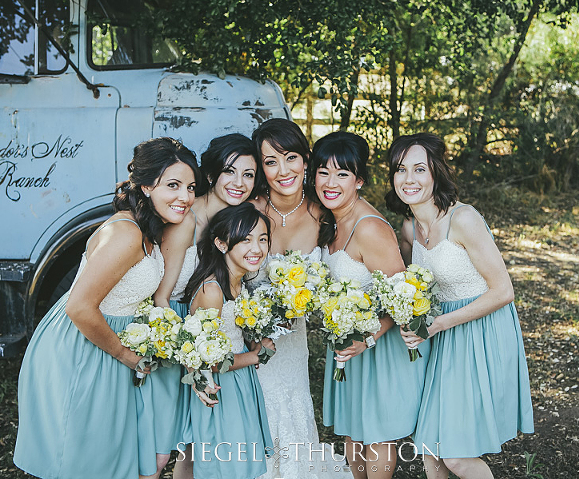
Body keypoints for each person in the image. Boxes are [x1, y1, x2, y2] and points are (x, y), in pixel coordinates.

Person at [14, 137, 199, 479]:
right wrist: (127, 355)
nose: (185, 197)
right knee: (86, 458)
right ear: (145, 186)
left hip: (111, 339)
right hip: (84, 344)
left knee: (114, 455)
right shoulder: (126, 234)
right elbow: (80, 307)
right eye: (173, 185)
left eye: (190, 187)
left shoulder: (149, 226)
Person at [385, 132, 534, 479]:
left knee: (456, 456)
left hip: (480, 333)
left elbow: (503, 291)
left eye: (419, 169)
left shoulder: (463, 219)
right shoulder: (410, 227)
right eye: (400, 170)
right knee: (431, 451)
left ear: (436, 172)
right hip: (444, 338)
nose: (409, 179)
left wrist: (436, 325)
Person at [312, 131, 429, 479]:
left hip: (378, 349)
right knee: (351, 433)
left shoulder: (370, 228)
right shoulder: (330, 218)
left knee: (376, 436)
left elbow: (402, 297)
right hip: (348, 347)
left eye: (342, 174)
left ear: (359, 180)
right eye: (322, 172)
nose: (330, 182)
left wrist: (368, 338)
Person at [147, 133, 259, 479]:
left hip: (210, 331)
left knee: (196, 442)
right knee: (161, 446)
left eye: (249, 175)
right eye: (230, 172)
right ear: (211, 175)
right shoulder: (187, 222)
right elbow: (161, 297)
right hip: (177, 330)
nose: (239, 183)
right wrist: (191, 357)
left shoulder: (239, 220)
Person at [249, 119, 351, 478]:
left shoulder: (324, 213)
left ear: (306, 160)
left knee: (291, 416)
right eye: (270, 161)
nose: (282, 170)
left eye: (290, 157)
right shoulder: (249, 210)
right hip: (248, 341)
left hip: (293, 345)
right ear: (261, 168)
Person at [184, 202, 275, 479]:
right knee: (226, 466)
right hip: (220, 387)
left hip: (240, 383)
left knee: (242, 463)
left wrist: (256, 338)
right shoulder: (212, 290)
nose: (256, 248)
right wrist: (257, 356)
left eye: (262, 239)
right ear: (222, 244)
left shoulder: (239, 282)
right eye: (245, 240)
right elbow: (204, 362)